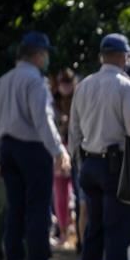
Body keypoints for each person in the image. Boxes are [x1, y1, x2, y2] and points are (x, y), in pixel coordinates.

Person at [68, 33, 130, 260]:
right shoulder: (126, 87)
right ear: (123, 56)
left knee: (93, 233)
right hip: (117, 166)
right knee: (117, 234)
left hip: (89, 163)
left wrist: (80, 163)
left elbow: (74, 131)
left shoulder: (84, 85)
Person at [0, 31, 70, 260]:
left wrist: (0, 155)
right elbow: (42, 119)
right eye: (45, 54)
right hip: (33, 149)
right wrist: (58, 150)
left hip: (8, 148)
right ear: (38, 55)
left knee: (15, 210)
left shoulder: (2, 81)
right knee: (38, 209)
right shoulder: (35, 81)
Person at [52, 69, 76, 247]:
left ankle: (75, 233)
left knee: (78, 195)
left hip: (76, 150)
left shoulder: (78, 99)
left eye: (68, 81)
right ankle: (62, 230)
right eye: (63, 81)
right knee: (60, 195)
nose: (65, 85)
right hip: (59, 150)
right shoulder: (52, 101)